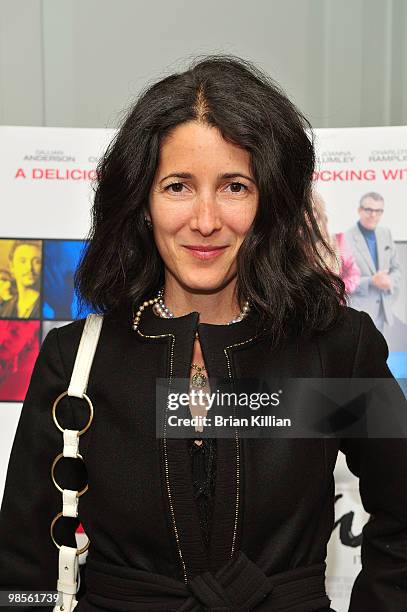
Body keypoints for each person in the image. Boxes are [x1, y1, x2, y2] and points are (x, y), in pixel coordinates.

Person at [0, 54, 406, 612]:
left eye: (235, 186)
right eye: (178, 186)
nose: (207, 219)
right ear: (142, 201)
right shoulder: (78, 363)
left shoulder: (329, 351)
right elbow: (21, 568)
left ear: (270, 202)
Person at [345, 192, 401, 333]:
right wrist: (371, 281)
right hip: (357, 312)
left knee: (379, 353)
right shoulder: (346, 238)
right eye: (369, 210)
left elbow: (396, 269)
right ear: (360, 210)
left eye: (378, 211)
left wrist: (390, 281)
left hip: (381, 311)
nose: (373, 215)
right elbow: (342, 280)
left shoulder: (385, 233)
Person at [311, 193, 361, 294]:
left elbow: (354, 275)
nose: (307, 214)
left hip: (333, 304)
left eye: (312, 210)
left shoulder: (338, 240)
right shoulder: (292, 243)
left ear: (318, 213)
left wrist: (336, 289)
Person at [0, 240, 42, 319]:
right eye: (23, 261)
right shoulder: (4, 308)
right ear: (12, 266)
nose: (29, 268)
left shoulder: (47, 307)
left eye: (37, 262)